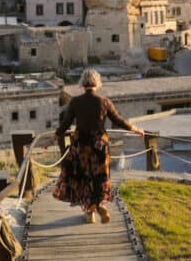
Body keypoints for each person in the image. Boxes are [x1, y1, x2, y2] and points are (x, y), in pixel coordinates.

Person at [47, 68, 144, 223]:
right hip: (100, 146)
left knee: (84, 178)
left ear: (82, 83)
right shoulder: (104, 101)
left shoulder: (75, 102)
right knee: (100, 177)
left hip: (81, 147)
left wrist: (51, 140)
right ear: (97, 83)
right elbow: (119, 121)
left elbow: (64, 124)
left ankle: (90, 213)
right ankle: (99, 205)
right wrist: (136, 129)